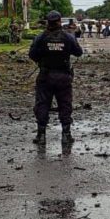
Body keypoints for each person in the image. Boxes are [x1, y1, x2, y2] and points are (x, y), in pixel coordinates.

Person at [29, 10, 83, 147]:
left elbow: (32, 55)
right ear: (59, 21)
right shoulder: (68, 37)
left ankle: (41, 135)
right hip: (63, 77)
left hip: (45, 76)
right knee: (65, 104)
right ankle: (66, 135)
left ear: (48, 22)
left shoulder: (40, 37)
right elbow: (78, 52)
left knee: (42, 104)